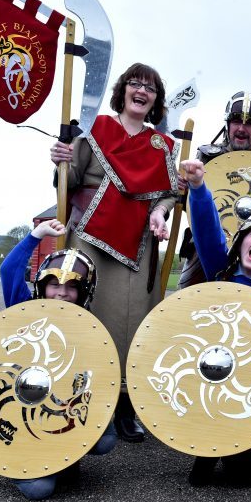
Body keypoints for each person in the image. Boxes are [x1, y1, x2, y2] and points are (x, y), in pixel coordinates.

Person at [49, 63, 178, 443]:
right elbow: (68, 183)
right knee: (85, 318)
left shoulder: (162, 146)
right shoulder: (97, 132)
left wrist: (159, 210)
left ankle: (124, 407)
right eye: (135, 84)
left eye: (150, 88)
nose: (142, 91)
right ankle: (82, 398)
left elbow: (170, 192)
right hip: (88, 238)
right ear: (122, 91)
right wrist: (59, 159)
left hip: (138, 244)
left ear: (156, 100)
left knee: (133, 324)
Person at [181, 158, 251, 487]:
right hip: (210, 374)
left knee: (242, 479)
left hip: (245, 387)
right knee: (199, 477)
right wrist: (198, 189)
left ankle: (245, 447)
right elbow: (208, 230)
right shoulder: (219, 271)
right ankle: (207, 442)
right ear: (241, 239)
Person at [0, 219, 116, 500]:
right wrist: (36, 235)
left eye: (71, 287)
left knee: (106, 440)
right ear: (41, 285)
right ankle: (14, 458)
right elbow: (8, 270)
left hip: (57, 405)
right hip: (21, 403)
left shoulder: (87, 328)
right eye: (53, 284)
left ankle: (61, 449)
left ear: (83, 292)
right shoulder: (22, 310)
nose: (61, 292)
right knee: (40, 489)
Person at [178, 91, 251, 288]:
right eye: (236, 121)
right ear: (227, 123)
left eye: (249, 123)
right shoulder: (207, 157)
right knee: (189, 297)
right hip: (209, 245)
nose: (241, 128)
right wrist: (184, 191)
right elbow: (190, 208)